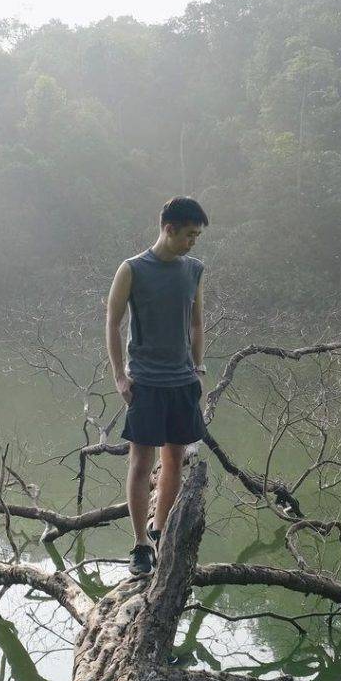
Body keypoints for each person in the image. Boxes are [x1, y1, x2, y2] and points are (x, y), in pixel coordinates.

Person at [105, 196, 209, 576]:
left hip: (181, 381)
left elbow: (196, 323)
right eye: (189, 235)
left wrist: (198, 368)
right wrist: (120, 376)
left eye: (197, 236)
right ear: (169, 229)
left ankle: (160, 531)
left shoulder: (194, 270)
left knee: (174, 461)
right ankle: (139, 545)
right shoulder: (132, 269)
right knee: (141, 463)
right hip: (145, 383)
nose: (193, 242)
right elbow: (112, 322)